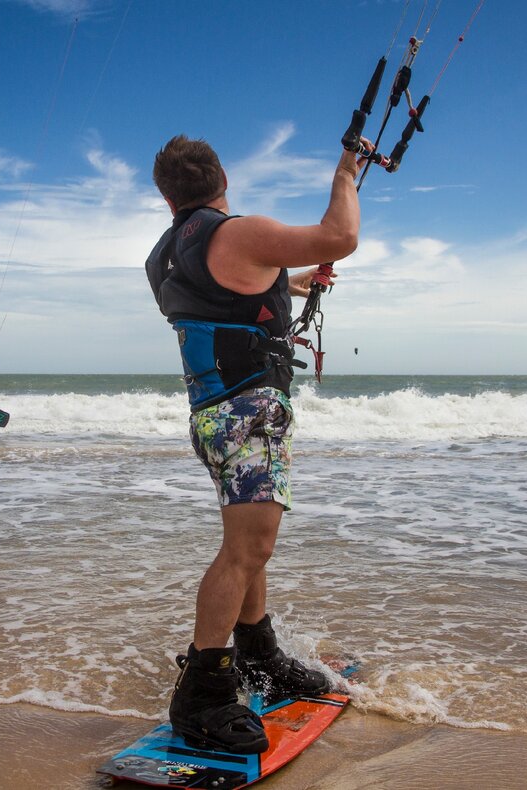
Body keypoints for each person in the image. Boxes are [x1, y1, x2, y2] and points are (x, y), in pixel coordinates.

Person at [145, 134, 370, 754]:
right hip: (249, 412)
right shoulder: (237, 232)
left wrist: (286, 283)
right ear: (223, 180)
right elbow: (340, 236)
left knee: (251, 547)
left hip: (212, 414)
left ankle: (258, 657)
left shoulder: (164, 254)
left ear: (167, 196)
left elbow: (221, 299)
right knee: (247, 549)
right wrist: (347, 173)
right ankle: (204, 692)